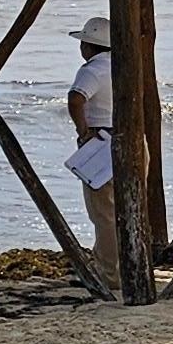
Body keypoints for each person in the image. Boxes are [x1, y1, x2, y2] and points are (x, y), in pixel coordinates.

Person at [66, 13, 114, 245]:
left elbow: (76, 99)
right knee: (128, 209)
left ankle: (109, 274)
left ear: (87, 46)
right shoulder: (124, 65)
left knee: (103, 214)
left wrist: (83, 131)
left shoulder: (92, 70)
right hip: (131, 138)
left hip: (102, 142)